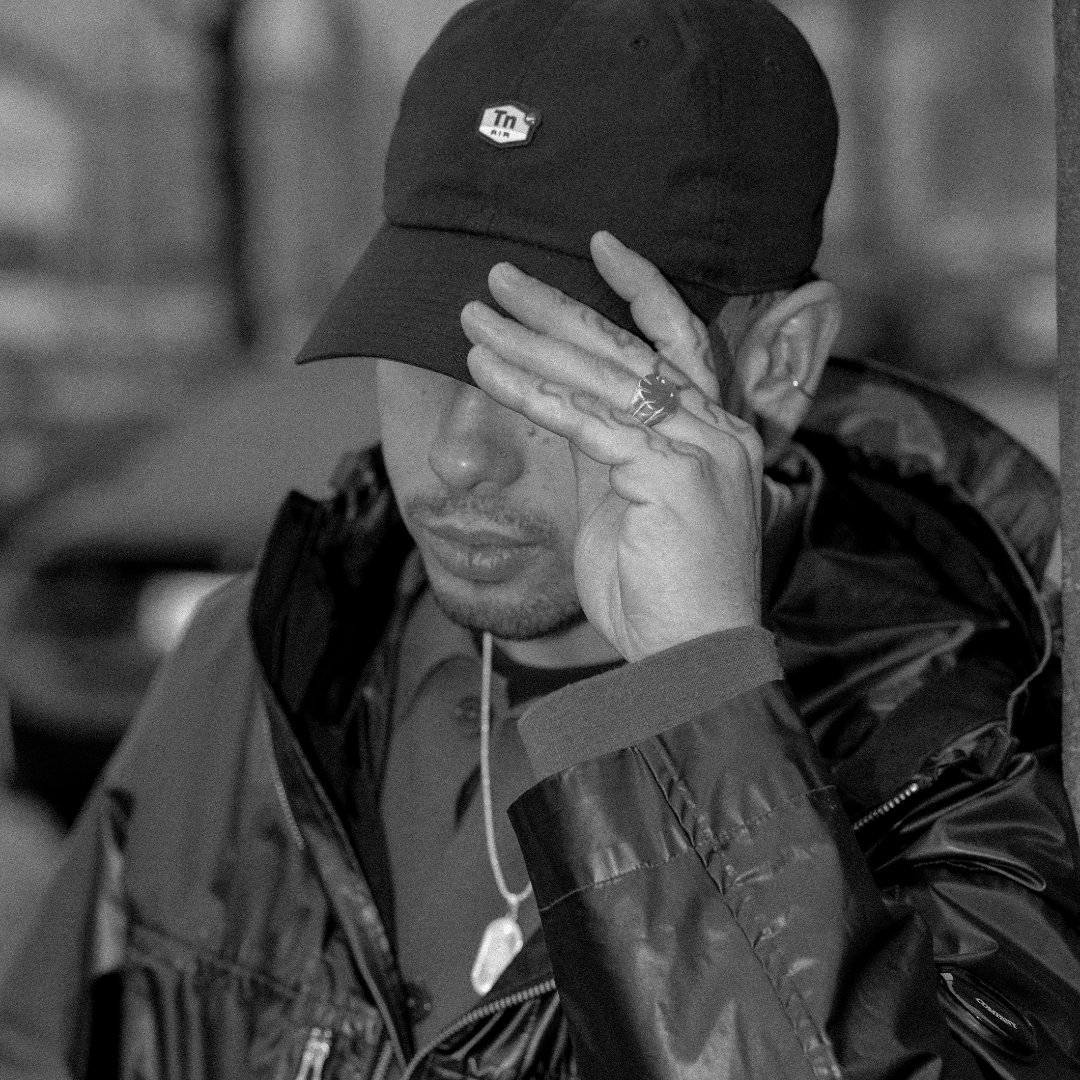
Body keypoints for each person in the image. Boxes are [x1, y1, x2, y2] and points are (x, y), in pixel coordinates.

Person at [3, 0, 1079, 1077]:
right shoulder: (264, 660)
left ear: (776, 365)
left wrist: (695, 706)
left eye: (559, 379)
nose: (462, 456)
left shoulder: (959, 768)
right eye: (423, 341)